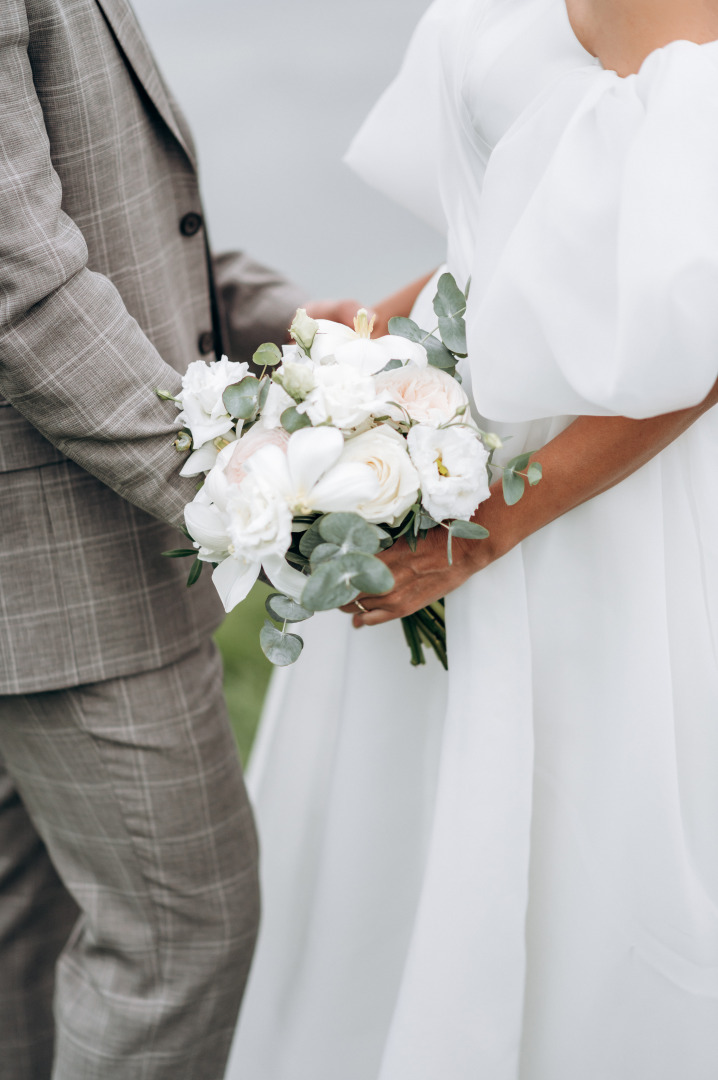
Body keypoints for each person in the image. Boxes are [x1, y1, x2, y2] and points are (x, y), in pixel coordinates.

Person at [227, 0, 718, 1077]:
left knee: (571, 823)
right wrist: (350, 358)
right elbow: (497, 252)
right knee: (393, 837)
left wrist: (491, 532)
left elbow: (697, 350)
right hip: (449, 447)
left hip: (593, 505)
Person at [0, 2, 359, 1078]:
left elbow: (107, 210)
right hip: (67, 552)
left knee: (30, 927)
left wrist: (283, 325)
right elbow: (23, 283)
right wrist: (238, 490)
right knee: (179, 940)